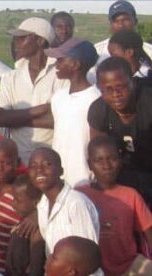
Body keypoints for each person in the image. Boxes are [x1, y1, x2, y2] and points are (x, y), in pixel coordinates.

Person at [77, 135, 152, 276]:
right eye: (99, 160)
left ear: (121, 160)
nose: (106, 165)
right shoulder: (80, 195)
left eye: (112, 158)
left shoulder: (130, 196)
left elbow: (148, 232)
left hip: (126, 272)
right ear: (90, 164)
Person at [28, 147, 104, 276]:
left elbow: (87, 258)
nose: (39, 170)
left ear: (61, 171)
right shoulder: (42, 205)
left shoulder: (76, 203)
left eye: (47, 164)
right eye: (33, 166)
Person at [0, 18, 66, 164]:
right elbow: (0, 118)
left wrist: (16, 119)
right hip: (19, 160)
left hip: (52, 160)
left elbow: (62, 120)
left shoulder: (61, 74)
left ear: (40, 40)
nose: (16, 43)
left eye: (22, 38)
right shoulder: (11, 77)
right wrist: (41, 110)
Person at [88, 56, 152, 206]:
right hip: (125, 174)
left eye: (121, 86)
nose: (116, 94)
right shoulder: (98, 110)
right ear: (99, 87)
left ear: (132, 82)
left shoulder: (148, 102)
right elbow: (100, 156)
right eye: (108, 89)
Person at [47, 38, 100, 187]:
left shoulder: (95, 99)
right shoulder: (59, 97)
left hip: (85, 180)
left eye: (61, 60)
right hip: (59, 179)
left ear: (75, 64)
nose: (56, 64)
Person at [5, 174, 45, 276]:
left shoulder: (36, 232)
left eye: (17, 200)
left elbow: (35, 271)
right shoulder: (24, 224)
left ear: (35, 203)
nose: (13, 204)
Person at [0, 139, 22, 274]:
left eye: (6, 163)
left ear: (17, 162)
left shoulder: (20, 194)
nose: (0, 168)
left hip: (10, 266)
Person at [93, 0, 152, 76]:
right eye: (116, 21)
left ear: (135, 21)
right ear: (110, 25)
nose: (121, 25)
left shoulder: (150, 51)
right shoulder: (97, 51)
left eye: (125, 20)